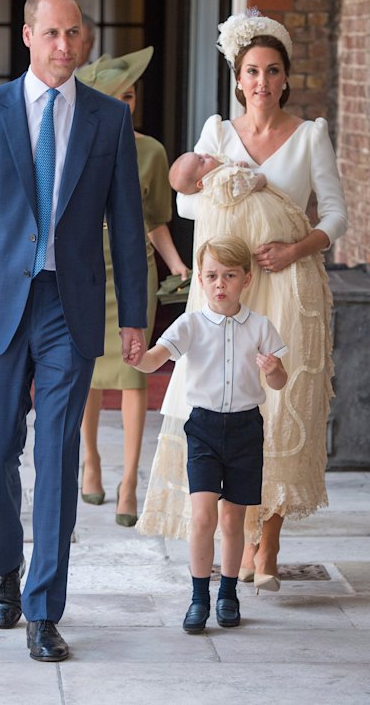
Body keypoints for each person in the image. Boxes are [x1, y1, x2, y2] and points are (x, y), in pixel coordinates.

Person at [0, 0, 148, 662]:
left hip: (68, 307)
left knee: (55, 457)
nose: (64, 47)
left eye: (74, 34)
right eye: (51, 34)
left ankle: (46, 609)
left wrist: (136, 315)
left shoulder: (108, 120)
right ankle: (5, 573)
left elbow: (128, 226)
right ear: (27, 37)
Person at [137, 9, 348, 593]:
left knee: (280, 409)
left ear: (285, 78)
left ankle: (268, 542)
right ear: (238, 77)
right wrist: (217, 184)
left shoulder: (311, 136)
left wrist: (297, 247)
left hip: (288, 285)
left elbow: (336, 215)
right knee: (226, 405)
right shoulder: (218, 133)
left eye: (272, 71)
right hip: (228, 288)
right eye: (251, 70)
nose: (261, 81)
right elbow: (183, 202)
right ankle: (237, 535)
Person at [131, 235, 287, 632]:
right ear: (200, 280)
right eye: (212, 276)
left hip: (245, 428)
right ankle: (199, 596)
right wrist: (137, 356)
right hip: (202, 427)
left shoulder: (260, 326)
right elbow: (154, 360)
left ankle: (228, 593)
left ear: (246, 280)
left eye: (230, 276)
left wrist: (272, 371)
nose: (220, 284)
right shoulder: (191, 324)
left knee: (233, 520)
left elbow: (281, 379)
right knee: (202, 516)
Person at [76, 49, 189, 525]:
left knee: (134, 373)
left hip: (131, 273)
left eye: (131, 95)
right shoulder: (76, 144)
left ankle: (129, 482)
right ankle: (92, 463)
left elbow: (157, 221)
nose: (126, 104)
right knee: (85, 373)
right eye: (115, 97)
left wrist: (179, 267)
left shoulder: (153, 152)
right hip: (84, 271)